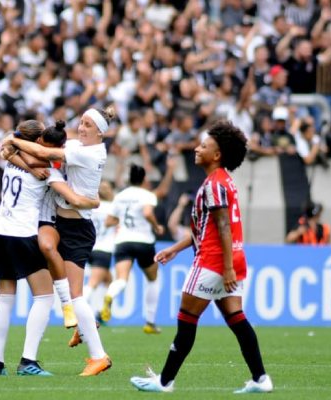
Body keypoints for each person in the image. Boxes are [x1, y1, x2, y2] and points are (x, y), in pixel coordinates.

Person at [130, 121, 273, 394]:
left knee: (186, 318)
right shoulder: (223, 181)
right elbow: (203, 228)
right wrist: (175, 249)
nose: (197, 148)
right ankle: (261, 379)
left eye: (204, 146)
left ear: (217, 155)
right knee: (236, 318)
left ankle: (164, 382)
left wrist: (227, 268)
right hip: (231, 260)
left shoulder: (214, 184)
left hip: (214, 262)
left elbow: (222, 227)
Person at [5, 108, 113, 376]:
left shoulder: (90, 152)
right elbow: (41, 150)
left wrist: (13, 139)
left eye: (89, 125)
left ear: (100, 132)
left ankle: (99, 356)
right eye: (82, 122)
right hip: (60, 223)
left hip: (77, 229)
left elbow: (44, 154)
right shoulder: (79, 145)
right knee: (50, 280)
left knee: (76, 296)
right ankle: (72, 330)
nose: (83, 127)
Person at [0, 121, 98, 347]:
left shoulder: (51, 158)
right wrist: (14, 148)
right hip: (11, 224)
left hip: (42, 221)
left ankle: (69, 310)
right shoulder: (24, 154)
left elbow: (22, 154)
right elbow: (10, 151)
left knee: (49, 251)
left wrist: (12, 145)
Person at [99, 160, 175, 334]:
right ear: (143, 179)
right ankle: (150, 322)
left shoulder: (120, 196)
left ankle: (110, 294)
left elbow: (109, 221)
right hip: (143, 241)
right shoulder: (146, 195)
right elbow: (148, 213)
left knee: (121, 279)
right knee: (153, 278)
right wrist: (156, 226)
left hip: (122, 241)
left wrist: (124, 220)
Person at [83, 182, 116, 312]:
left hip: (90, 248)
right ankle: (78, 310)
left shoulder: (91, 207)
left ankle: (100, 311)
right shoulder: (113, 208)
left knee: (108, 279)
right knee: (93, 283)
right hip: (104, 249)